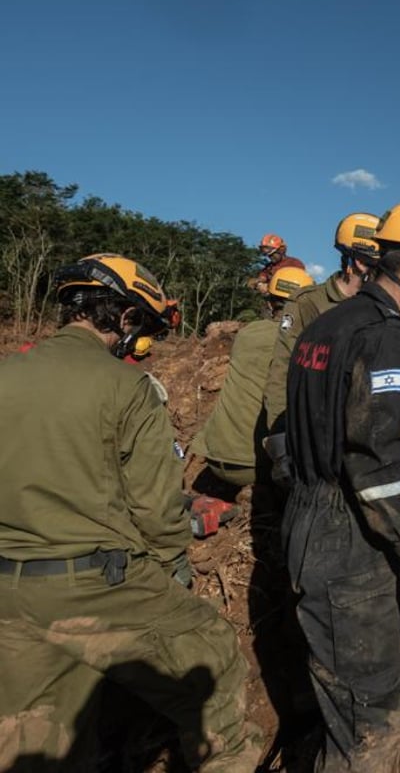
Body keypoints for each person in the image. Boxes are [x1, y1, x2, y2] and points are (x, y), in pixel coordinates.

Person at [0, 253, 261, 770]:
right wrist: (172, 572)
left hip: (8, 590)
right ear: (122, 317)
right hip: (94, 585)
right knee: (215, 659)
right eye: (139, 323)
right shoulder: (128, 388)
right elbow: (157, 510)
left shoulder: (7, 372)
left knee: (33, 737)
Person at [281, 201, 400, 769]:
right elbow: (378, 459)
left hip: (307, 515)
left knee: (344, 689)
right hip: (346, 537)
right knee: (373, 712)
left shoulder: (324, 324)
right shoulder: (385, 337)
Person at [262, 213, 380, 478]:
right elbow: (283, 369)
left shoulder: (377, 309)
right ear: (360, 262)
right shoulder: (309, 304)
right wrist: (281, 439)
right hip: (314, 430)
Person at [195, 267, 314, 491]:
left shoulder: (248, 333)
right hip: (254, 466)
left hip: (214, 456)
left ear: (270, 303)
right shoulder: (304, 342)